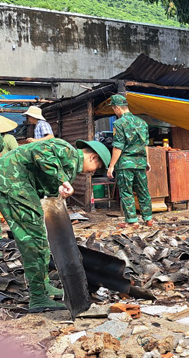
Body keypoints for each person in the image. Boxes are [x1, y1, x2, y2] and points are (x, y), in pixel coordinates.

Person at [0, 139, 111, 313]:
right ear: (93, 157)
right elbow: (40, 152)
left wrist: (57, 187)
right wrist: (62, 180)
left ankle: (43, 286)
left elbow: (45, 181)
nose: (93, 172)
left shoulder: (68, 166)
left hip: (18, 185)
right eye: (97, 168)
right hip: (13, 183)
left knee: (41, 239)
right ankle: (38, 297)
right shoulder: (67, 151)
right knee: (33, 240)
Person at [106, 94, 153, 228]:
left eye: (114, 109)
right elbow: (145, 145)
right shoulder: (142, 123)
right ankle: (148, 218)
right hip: (140, 162)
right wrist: (147, 161)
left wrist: (111, 166)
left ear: (117, 108)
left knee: (126, 191)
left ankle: (132, 220)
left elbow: (118, 146)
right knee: (143, 190)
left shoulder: (119, 123)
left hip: (126, 163)